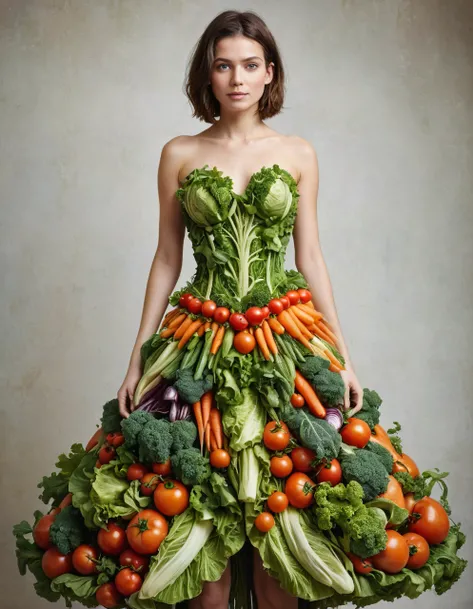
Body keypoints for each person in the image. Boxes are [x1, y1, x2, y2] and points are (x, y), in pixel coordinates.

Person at [118, 9, 364, 609]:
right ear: (208, 75)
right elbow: (166, 260)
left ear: (268, 73)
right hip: (199, 339)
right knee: (202, 541)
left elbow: (310, 256)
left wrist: (344, 356)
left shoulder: (299, 152)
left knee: (282, 537)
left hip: (284, 337)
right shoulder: (179, 152)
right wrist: (136, 358)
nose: (237, 78)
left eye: (250, 65)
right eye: (224, 65)